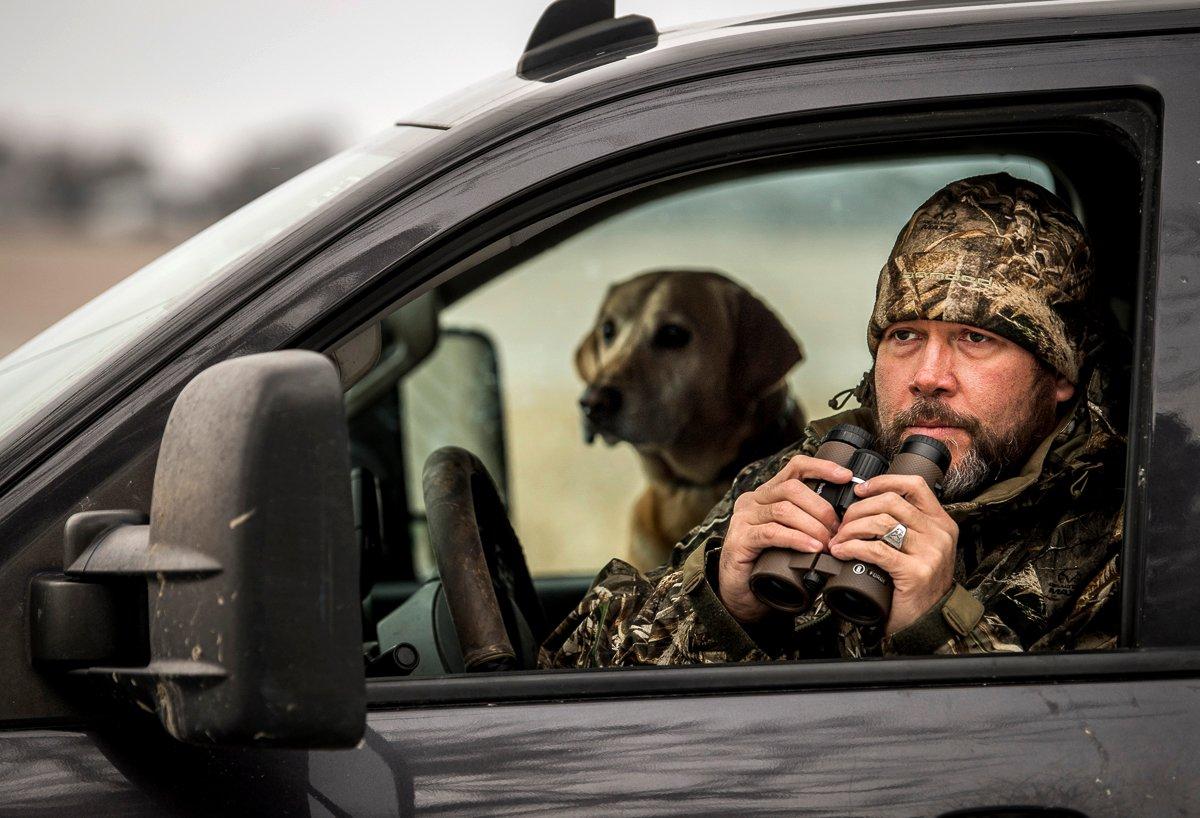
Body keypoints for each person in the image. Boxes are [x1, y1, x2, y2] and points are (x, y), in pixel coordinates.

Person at [539, 173, 1126, 667]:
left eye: (974, 338)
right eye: (904, 336)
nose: (928, 375)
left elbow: (1090, 764)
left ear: (1058, 371)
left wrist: (939, 626)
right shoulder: (809, 477)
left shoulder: (1130, 535)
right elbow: (564, 681)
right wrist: (720, 604)